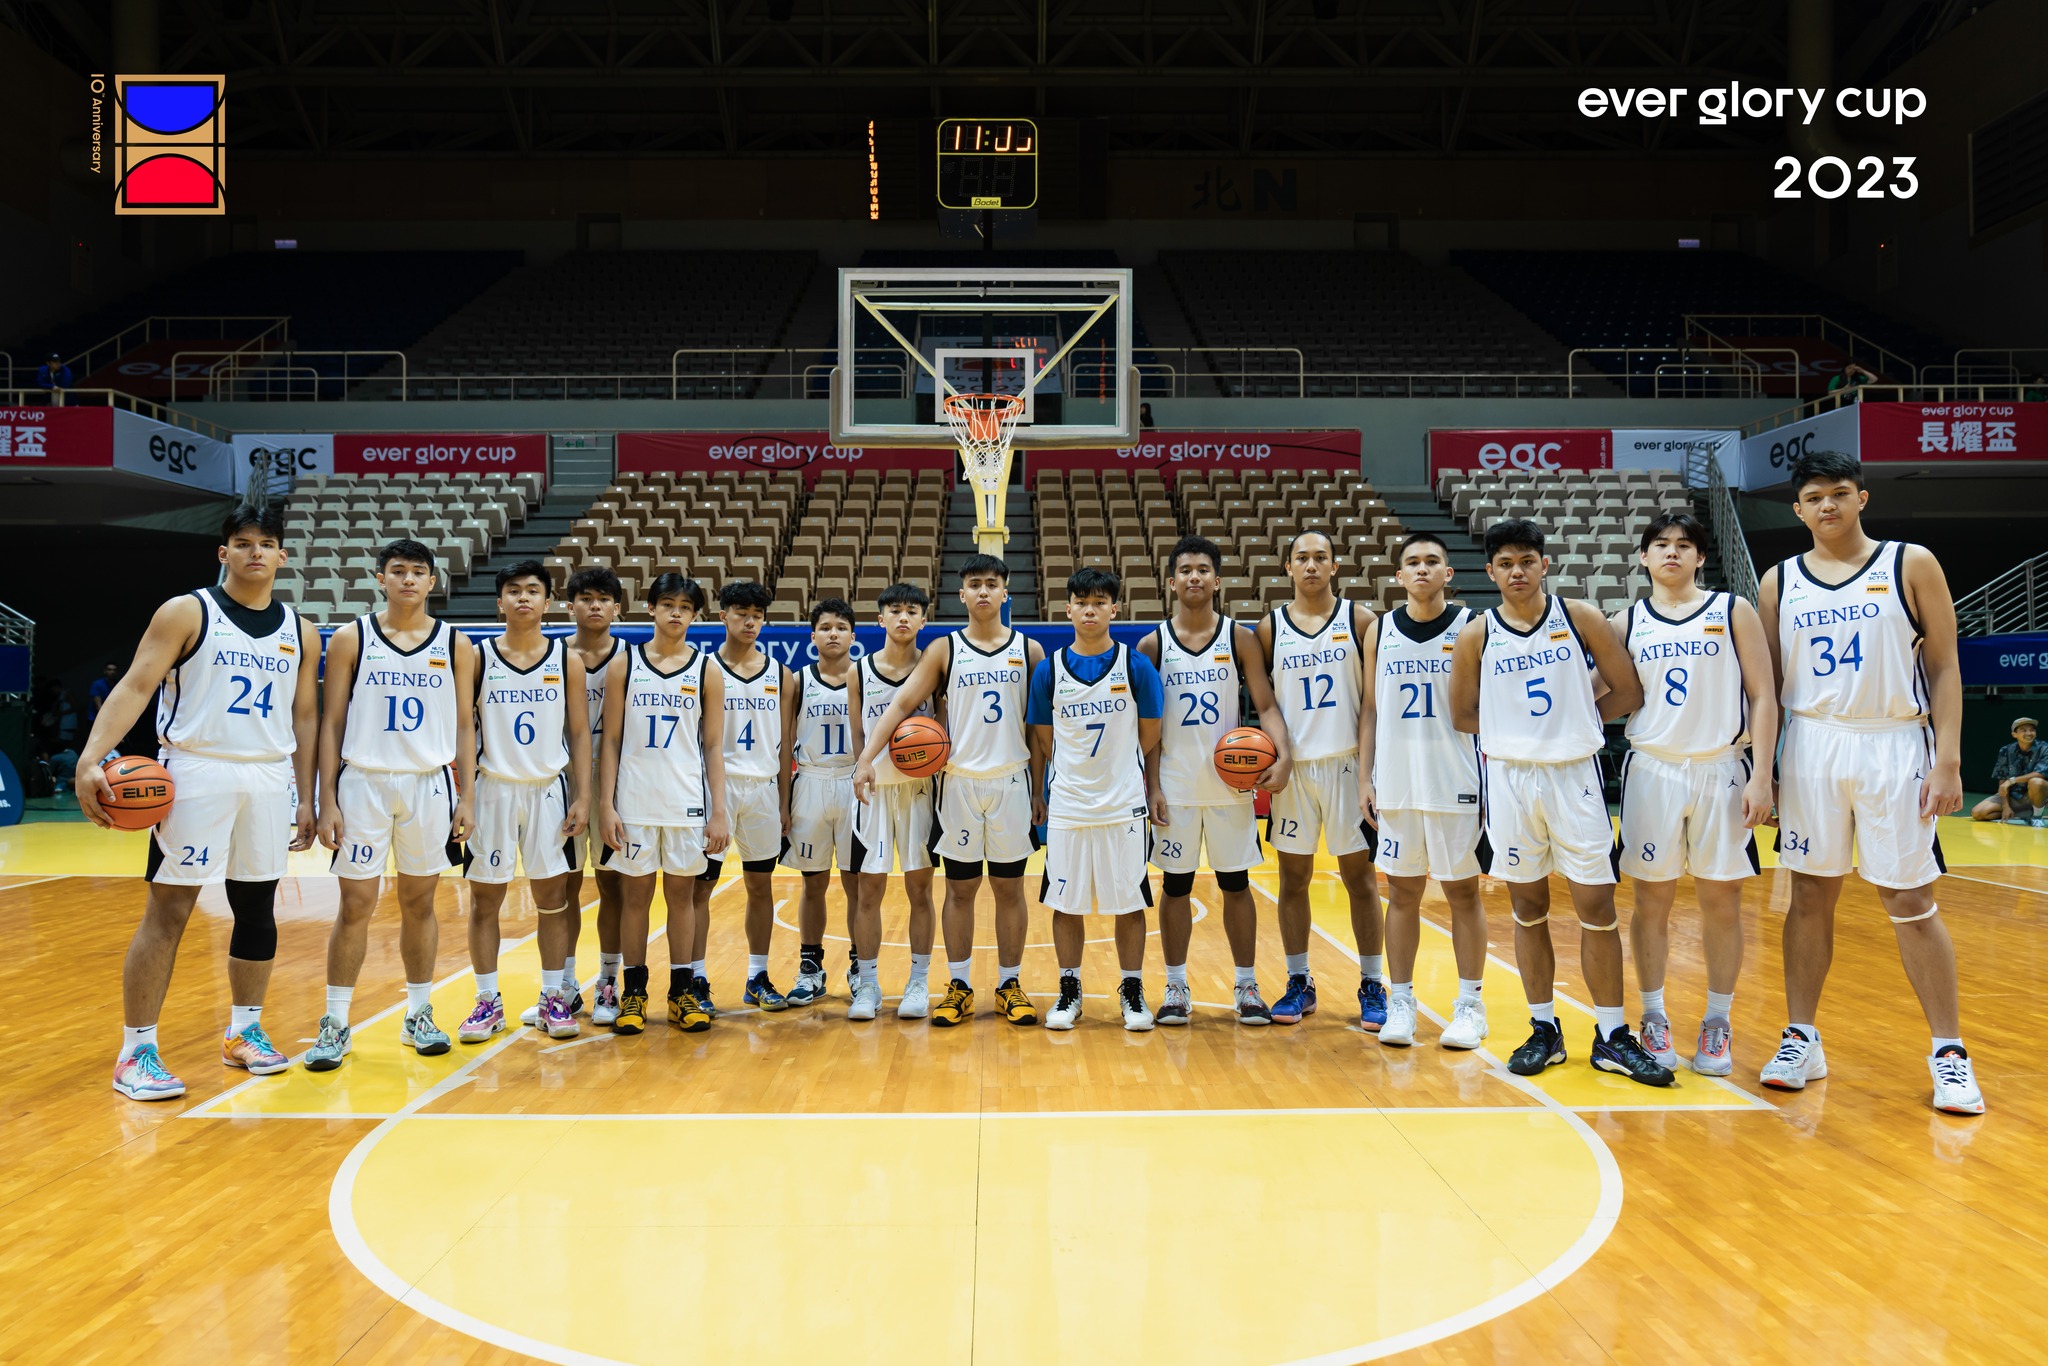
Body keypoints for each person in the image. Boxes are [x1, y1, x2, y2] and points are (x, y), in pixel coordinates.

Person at [1756, 449, 1982, 1114]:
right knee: (1809, 898)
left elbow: (1944, 666)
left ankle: (1949, 1053)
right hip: (1812, 746)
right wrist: (1762, 768)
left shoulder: (1910, 562)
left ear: (1862, 498)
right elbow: (1765, 686)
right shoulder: (1779, 581)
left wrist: (1949, 758)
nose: (1828, 505)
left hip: (1894, 742)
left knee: (1909, 901)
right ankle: (1802, 1036)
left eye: (1840, 492)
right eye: (1814, 497)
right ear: (1797, 509)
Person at [78, 503, 318, 1101]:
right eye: (242, 542)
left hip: (267, 778)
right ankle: (136, 1052)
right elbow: (136, 684)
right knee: (171, 910)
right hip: (197, 770)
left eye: (266, 544)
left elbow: (306, 717)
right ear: (223, 552)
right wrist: (91, 758)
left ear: (283, 556)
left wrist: (308, 793)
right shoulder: (188, 611)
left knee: (258, 909)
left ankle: (244, 1033)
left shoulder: (301, 630)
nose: (255, 552)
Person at [1448, 519, 1672, 1086]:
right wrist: (1516, 735)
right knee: (1528, 909)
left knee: (1596, 908)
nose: (1516, 571)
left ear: (1545, 565)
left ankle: (1612, 1035)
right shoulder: (1477, 634)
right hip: (1511, 781)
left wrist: (1575, 720)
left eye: (1526, 560)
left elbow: (1627, 690)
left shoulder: (1581, 618)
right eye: (1505, 563)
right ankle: (1544, 1029)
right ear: (1491, 572)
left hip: (1576, 776)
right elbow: (1461, 715)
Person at [1611, 514, 1778, 1075]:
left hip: (1722, 768)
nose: (1673, 554)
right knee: (1650, 901)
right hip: (1653, 770)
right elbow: (1590, 695)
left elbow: (1763, 695)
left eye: (1684, 546)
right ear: (1643, 557)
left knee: (1721, 900)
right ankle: (1653, 1018)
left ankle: (1717, 1021)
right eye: (1661, 545)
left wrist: (1762, 774)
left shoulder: (1733, 610)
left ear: (1702, 558)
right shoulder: (1625, 621)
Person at [852, 555, 1045, 1028]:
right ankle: (957, 986)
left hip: (1011, 781)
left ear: (1006, 593)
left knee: (1009, 888)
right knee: (960, 890)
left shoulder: (1031, 649)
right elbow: (899, 704)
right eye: (974, 584)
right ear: (961, 595)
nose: (983, 592)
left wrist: (1041, 788)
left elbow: (1039, 729)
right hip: (957, 782)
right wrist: (865, 758)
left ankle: (1008, 984)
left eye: (992, 584)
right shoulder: (945, 649)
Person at [307, 539, 478, 1071]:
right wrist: (326, 796)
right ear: (379, 577)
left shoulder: (456, 643)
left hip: (429, 783)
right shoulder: (350, 638)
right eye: (398, 571)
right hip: (364, 783)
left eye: (418, 572)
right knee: (355, 905)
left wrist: (467, 794)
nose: (408, 579)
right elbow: (331, 722)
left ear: (433, 582)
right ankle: (335, 1022)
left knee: (419, 903)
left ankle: (419, 1013)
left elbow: (466, 724)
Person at [1137, 534, 1290, 1025]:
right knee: (1176, 888)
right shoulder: (1152, 643)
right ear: (1171, 581)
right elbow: (1149, 727)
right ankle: (1176, 987)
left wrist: (1282, 756)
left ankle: (1246, 985)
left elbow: (1265, 705)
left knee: (1236, 885)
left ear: (1218, 580)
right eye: (1186, 570)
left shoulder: (1239, 638)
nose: (1195, 577)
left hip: (1231, 785)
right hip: (1177, 788)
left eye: (1203, 569)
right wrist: (1153, 786)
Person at [1356, 531, 1489, 1050]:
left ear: (1448, 574)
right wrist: (1365, 776)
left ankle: (1470, 1005)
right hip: (1396, 780)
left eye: (1433, 561)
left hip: (1455, 778)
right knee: (1403, 892)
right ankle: (1403, 1002)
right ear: (1398, 575)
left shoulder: (1472, 627)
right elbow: (1369, 710)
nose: (1422, 569)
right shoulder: (1380, 630)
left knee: (1462, 892)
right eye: (1412, 562)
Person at [455, 562, 591, 1044]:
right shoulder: (477, 655)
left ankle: (554, 996)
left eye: (533, 591)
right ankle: (487, 1001)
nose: (523, 599)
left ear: (548, 601)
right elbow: (464, 727)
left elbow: (579, 731)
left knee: (552, 900)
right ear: (500, 602)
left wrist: (584, 795)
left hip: (548, 790)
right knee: (484, 899)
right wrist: (465, 795)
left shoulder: (565, 658)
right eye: (513, 591)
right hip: (492, 788)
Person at [1026, 568, 1166, 1031]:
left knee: (1129, 901)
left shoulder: (1135, 666)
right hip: (1068, 804)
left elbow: (1150, 737)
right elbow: (1043, 741)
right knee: (1065, 902)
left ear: (1114, 609)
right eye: (1081, 601)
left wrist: (1149, 787)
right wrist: (1040, 793)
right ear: (1067, 609)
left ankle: (1131, 991)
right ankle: (1070, 991)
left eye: (1100, 601)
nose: (1090, 609)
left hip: (1124, 803)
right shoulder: (1049, 669)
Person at [1256, 531, 1382, 1028]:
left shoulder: (1361, 621)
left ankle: (1372, 981)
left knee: (1360, 878)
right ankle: (1298, 979)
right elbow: (1265, 704)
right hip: (1296, 771)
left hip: (1350, 765)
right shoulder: (1270, 628)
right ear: (1288, 567)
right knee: (1293, 878)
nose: (1311, 565)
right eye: (1301, 557)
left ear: (1335, 565)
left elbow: (1373, 706)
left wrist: (1370, 773)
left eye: (1320, 557)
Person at [595, 573, 728, 1034]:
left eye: (685, 607)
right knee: (635, 897)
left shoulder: (707, 669)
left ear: (696, 615)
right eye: (668, 604)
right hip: (633, 801)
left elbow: (713, 746)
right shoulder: (624, 665)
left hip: (686, 801)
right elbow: (610, 740)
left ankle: (681, 991)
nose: (676, 613)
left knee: (683, 898)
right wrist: (607, 806)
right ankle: (633, 992)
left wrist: (720, 810)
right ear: (649, 609)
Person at [522, 566, 626, 1028]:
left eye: (605, 598)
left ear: (618, 607)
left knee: (612, 885)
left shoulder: (631, 657)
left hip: (617, 781)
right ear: (569, 606)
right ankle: (563, 985)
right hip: (559, 778)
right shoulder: (549, 654)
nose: (595, 606)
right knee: (561, 887)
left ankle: (608, 980)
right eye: (586, 598)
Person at [687, 579, 796, 1015]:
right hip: (717, 789)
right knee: (701, 888)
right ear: (722, 617)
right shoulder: (703, 669)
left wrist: (785, 803)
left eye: (757, 615)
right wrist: (713, 804)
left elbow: (786, 746)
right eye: (741, 613)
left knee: (760, 885)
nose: (750, 621)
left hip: (764, 790)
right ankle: (694, 975)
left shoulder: (780, 674)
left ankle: (758, 975)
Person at [849, 583, 941, 1019]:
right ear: (879, 619)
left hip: (919, 791)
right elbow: (858, 739)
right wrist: (862, 767)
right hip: (874, 793)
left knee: (919, 888)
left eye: (912, 611)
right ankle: (867, 985)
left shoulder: (936, 667)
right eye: (894, 611)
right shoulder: (859, 671)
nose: (903, 618)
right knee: (869, 889)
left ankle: (919, 982)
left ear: (925, 620)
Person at [782, 598, 866, 1011]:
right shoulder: (797, 681)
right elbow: (784, 748)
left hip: (854, 783)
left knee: (857, 885)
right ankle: (810, 967)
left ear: (854, 636)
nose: (833, 633)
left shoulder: (866, 677)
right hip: (811, 783)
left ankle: (858, 967)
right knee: (812, 882)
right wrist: (784, 802)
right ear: (812, 635)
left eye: (841, 627)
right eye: (825, 627)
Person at [1970, 717, 2047, 825]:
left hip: (2040, 795)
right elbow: (2002, 780)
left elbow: (2040, 774)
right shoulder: (2006, 750)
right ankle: (2023, 813)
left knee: (2036, 781)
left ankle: (2037, 818)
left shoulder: (2044, 748)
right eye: (2024, 730)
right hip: (2015, 796)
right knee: (1978, 813)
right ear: (2014, 734)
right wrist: (2006, 806)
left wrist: (2011, 781)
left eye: (2032, 730)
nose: (2029, 733)